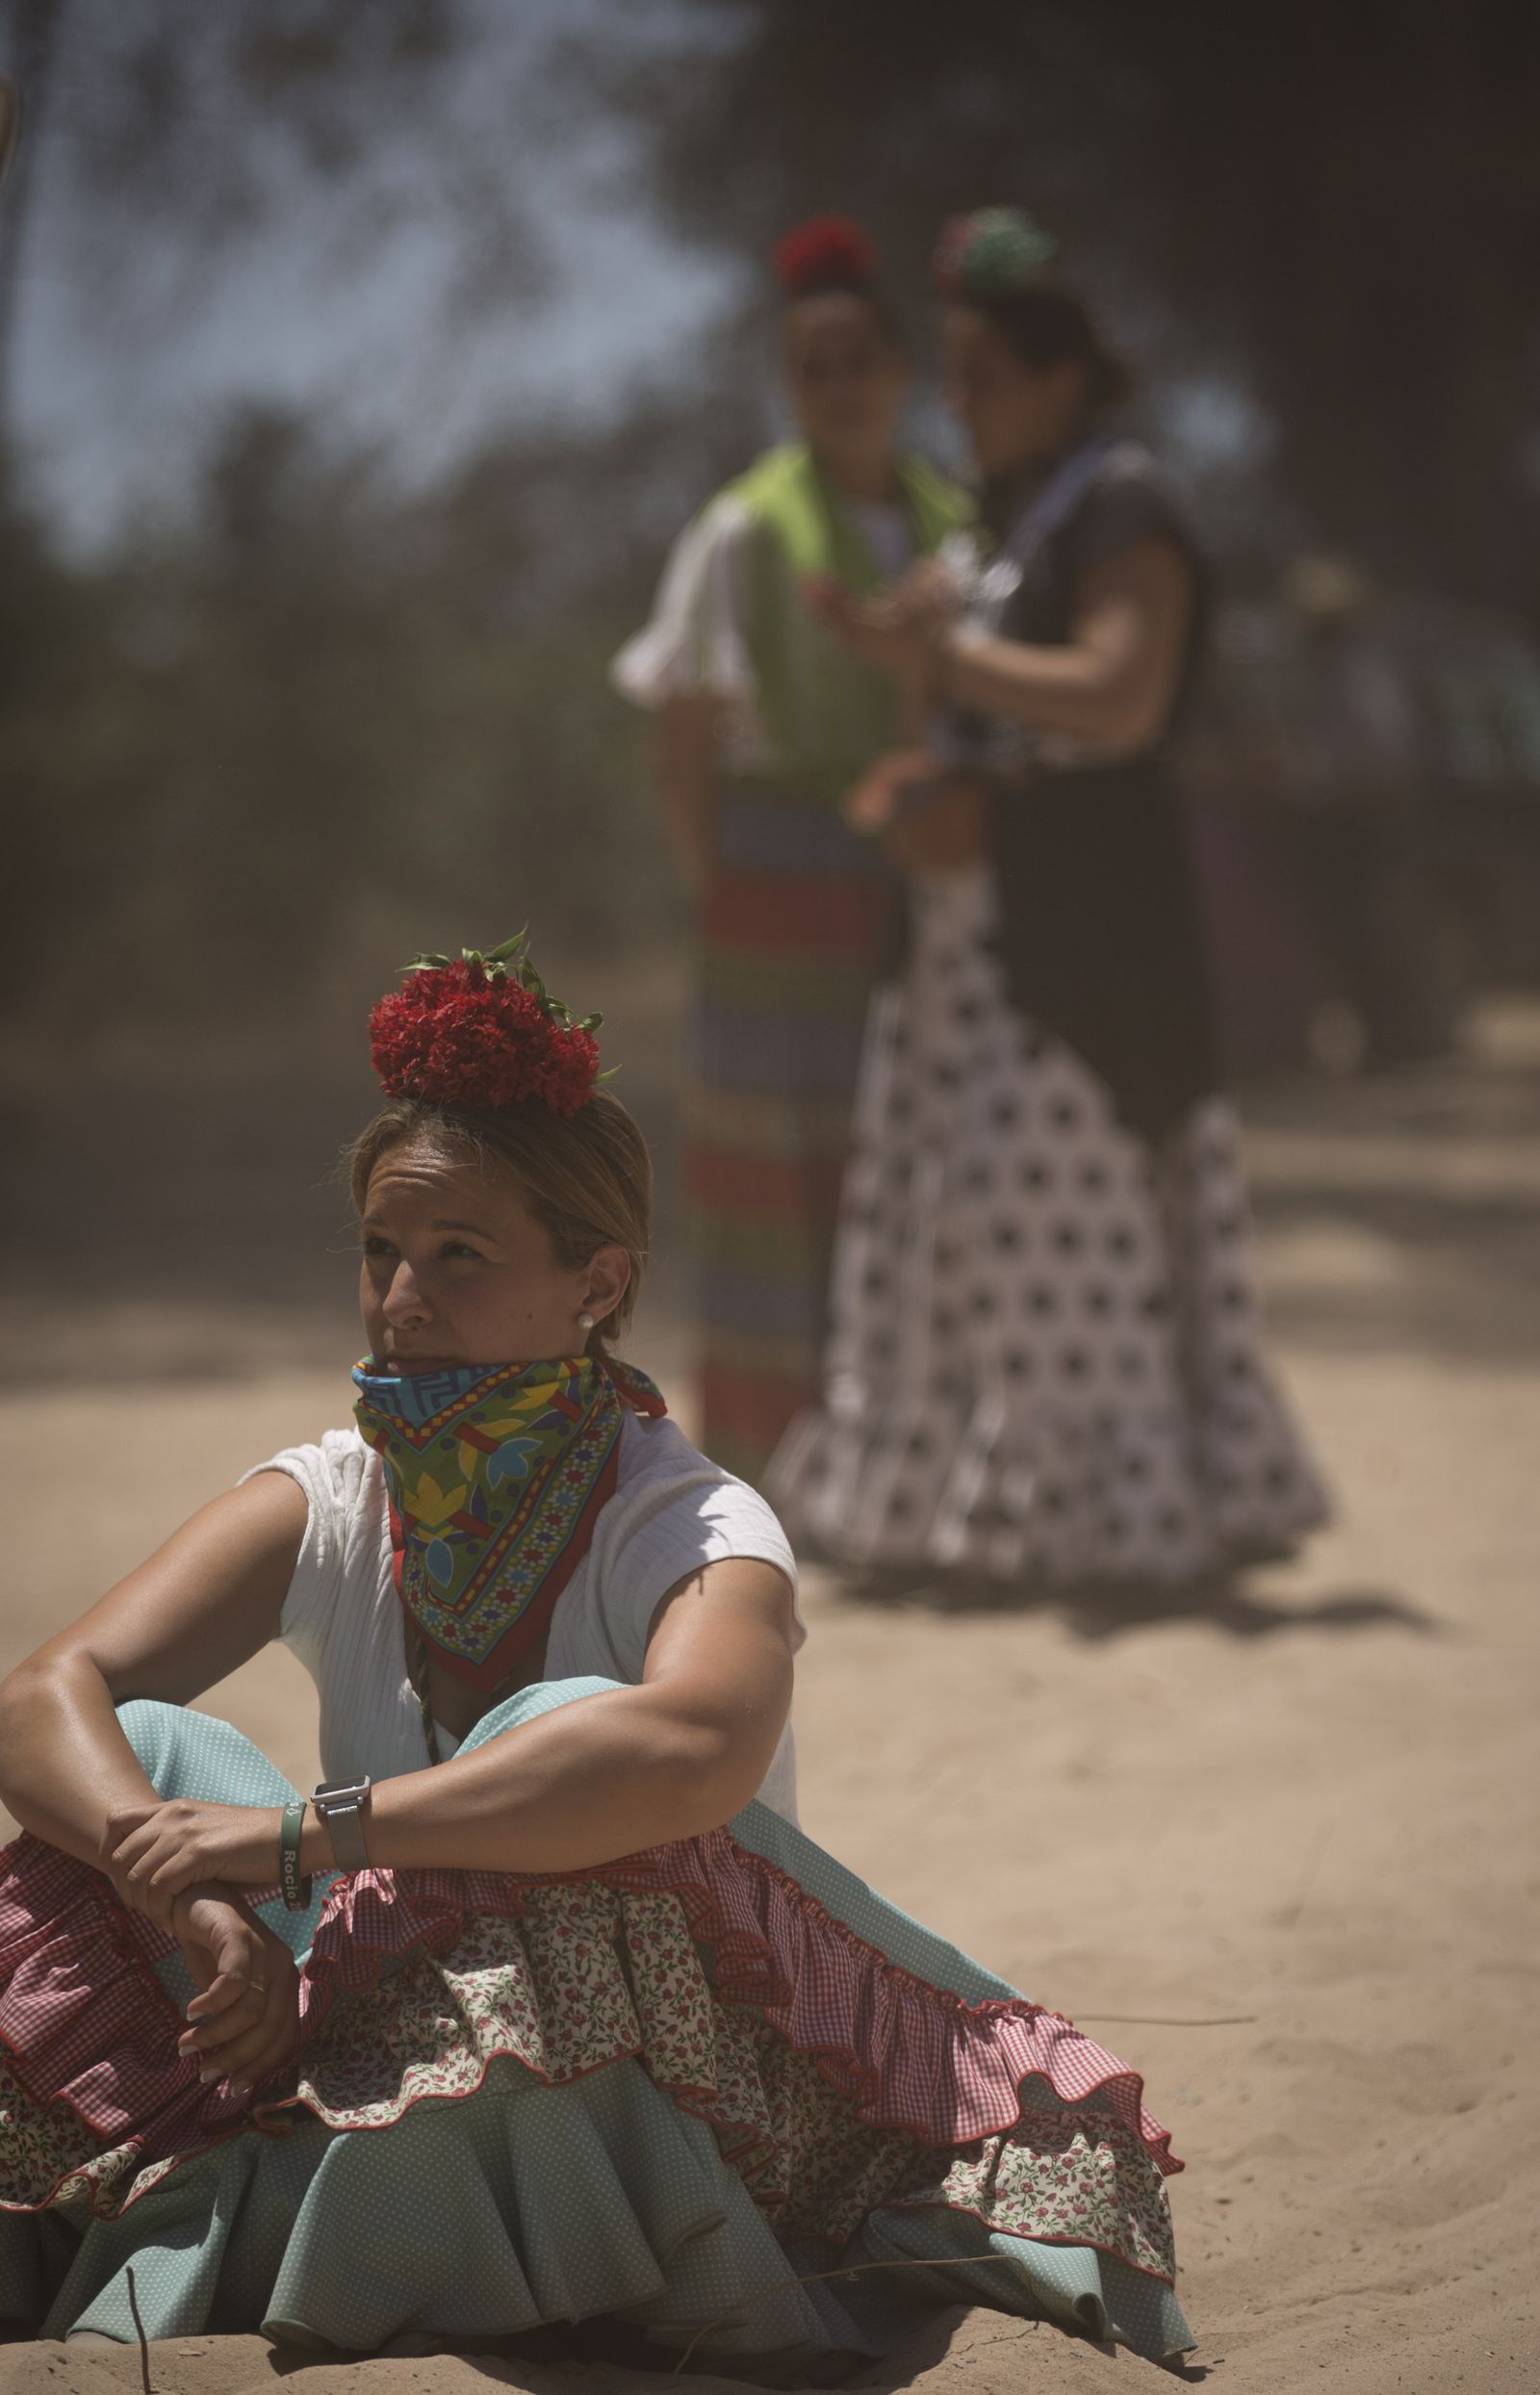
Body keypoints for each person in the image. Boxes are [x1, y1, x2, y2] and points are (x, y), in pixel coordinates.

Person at [0, 935, 1193, 2369]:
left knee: (563, 1733)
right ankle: (315, 2186)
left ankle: (381, 2220)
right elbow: (40, 1695)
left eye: (459, 1255)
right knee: (137, 1754)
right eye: (381, 1252)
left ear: (597, 1280)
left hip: (653, 2088)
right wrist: (191, 1892)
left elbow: (691, 1749)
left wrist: (300, 1844)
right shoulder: (332, 1492)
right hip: (355, 2022)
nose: (400, 1299)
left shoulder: (690, 1520)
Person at [770, 209, 1328, 1584]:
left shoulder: (1124, 504)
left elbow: (1120, 697)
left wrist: (946, 659)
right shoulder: (1007, 529)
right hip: (970, 943)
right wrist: (914, 691)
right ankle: (977, 1520)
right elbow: (969, 700)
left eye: (982, 378)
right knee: (956, 1225)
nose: (956, 406)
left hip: (1080, 945)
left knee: (1055, 1211)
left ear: (1060, 376)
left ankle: (1113, 1523)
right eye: (949, 379)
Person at [612, 217, 971, 1485]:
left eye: (859, 357)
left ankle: (902, 1454)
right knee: (771, 1164)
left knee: (911, 1153)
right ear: (789, 382)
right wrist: (729, 887)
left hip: (920, 873)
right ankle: (769, 1464)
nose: (840, 384)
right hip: (771, 873)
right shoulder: (744, 529)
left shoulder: (954, 522)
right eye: (812, 364)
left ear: (901, 370)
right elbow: (686, 738)